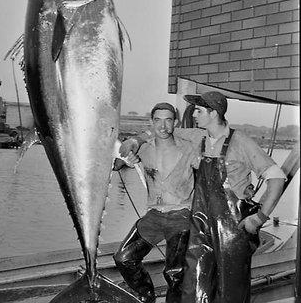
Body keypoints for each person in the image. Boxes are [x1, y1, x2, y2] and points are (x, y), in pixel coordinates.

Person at [120, 91, 286, 303]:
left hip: (232, 228)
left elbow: (277, 178)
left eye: (198, 110)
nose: (194, 114)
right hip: (201, 224)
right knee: (194, 286)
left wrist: (259, 217)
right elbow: (160, 130)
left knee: (230, 289)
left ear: (213, 113)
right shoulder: (197, 136)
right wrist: (135, 140)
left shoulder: (240, 141)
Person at [113, 102, 197, 303]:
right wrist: (126, 159)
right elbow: (116, 165)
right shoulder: (144, 148)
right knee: (124, 258)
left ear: (175, 122)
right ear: (151, 122)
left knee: (175, 273)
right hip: (154, 215)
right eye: (158, 120)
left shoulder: (189, 148)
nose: (163, 126)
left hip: (181, 214)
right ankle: (146, 297)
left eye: (168, 120)